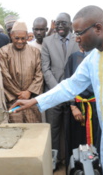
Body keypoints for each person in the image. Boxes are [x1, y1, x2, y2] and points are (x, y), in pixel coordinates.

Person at [11, 5, 103, 175]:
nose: (76, 39)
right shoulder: (93, 57)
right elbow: (70, 86)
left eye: (79, 33)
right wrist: (35, 101)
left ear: (98, 28)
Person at [41, 12, 79, 167]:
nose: (60, 26)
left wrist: (69, 91)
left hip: (74, 95)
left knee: (71, 130)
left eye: (64, 23)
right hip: (54, 93)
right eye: (57, 23)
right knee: (54, 130)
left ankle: (72, 161)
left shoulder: (78, 40)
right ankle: (54, 162)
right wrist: (59, 90)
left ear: (70, 24)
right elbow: (46, 68)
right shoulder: (47, 41)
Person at [0, 21, 43, 123]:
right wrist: (19, 94)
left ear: (27, 37)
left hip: (30, 100)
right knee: (16, 131)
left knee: (34, 132)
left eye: (23, 38)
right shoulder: (3, 51)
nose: (20, 41)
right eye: (17, 38)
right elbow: (4, 76)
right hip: (13, 100)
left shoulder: (35, 52)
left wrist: (29, 92)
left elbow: (39, 74)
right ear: (11, 36)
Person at [65, 45, 101, 166]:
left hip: (97, 107)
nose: (80, 39)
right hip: (78, 106)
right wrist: (73, 106)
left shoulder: (101, 56)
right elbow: (67, 82)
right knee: (77, 141)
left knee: (98, 140)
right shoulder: (73, 58)